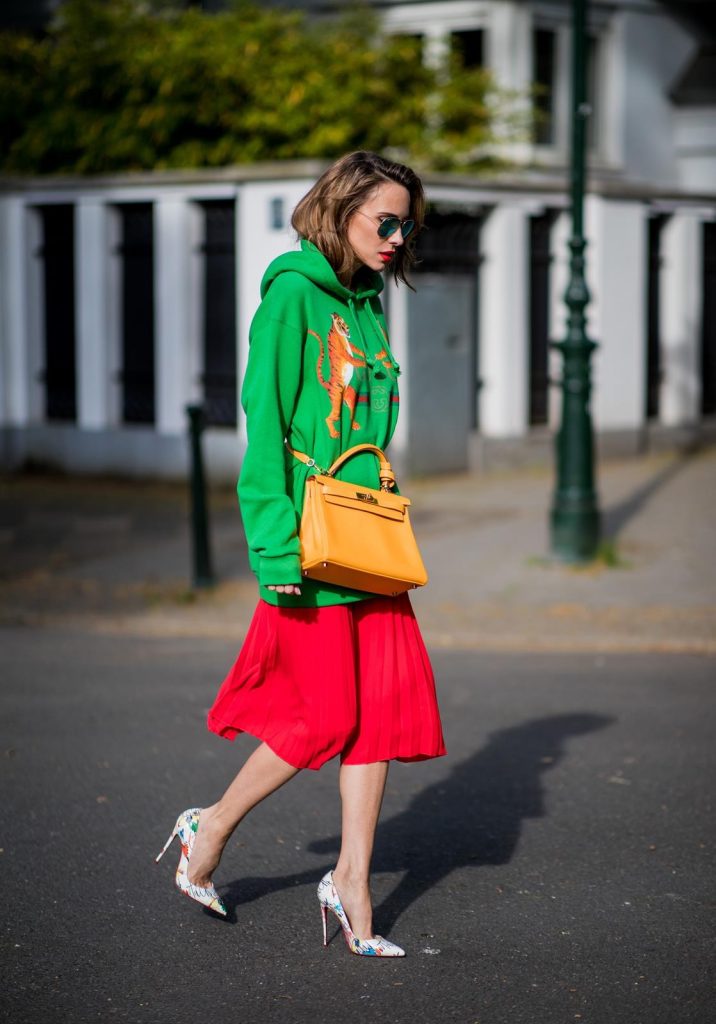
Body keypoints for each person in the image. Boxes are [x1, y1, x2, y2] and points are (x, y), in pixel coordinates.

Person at [156, 151, 446, 957]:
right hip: (311, 548)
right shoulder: (292, 297)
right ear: (340, 210)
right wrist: (274, 545)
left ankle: (352, 878)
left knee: (379, 715)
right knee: (320, 715)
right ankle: (207, 827)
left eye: (405, 225)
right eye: (382, 221)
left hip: (366, 541)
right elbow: (265, 428)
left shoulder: (366, 305)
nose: (395, 238)